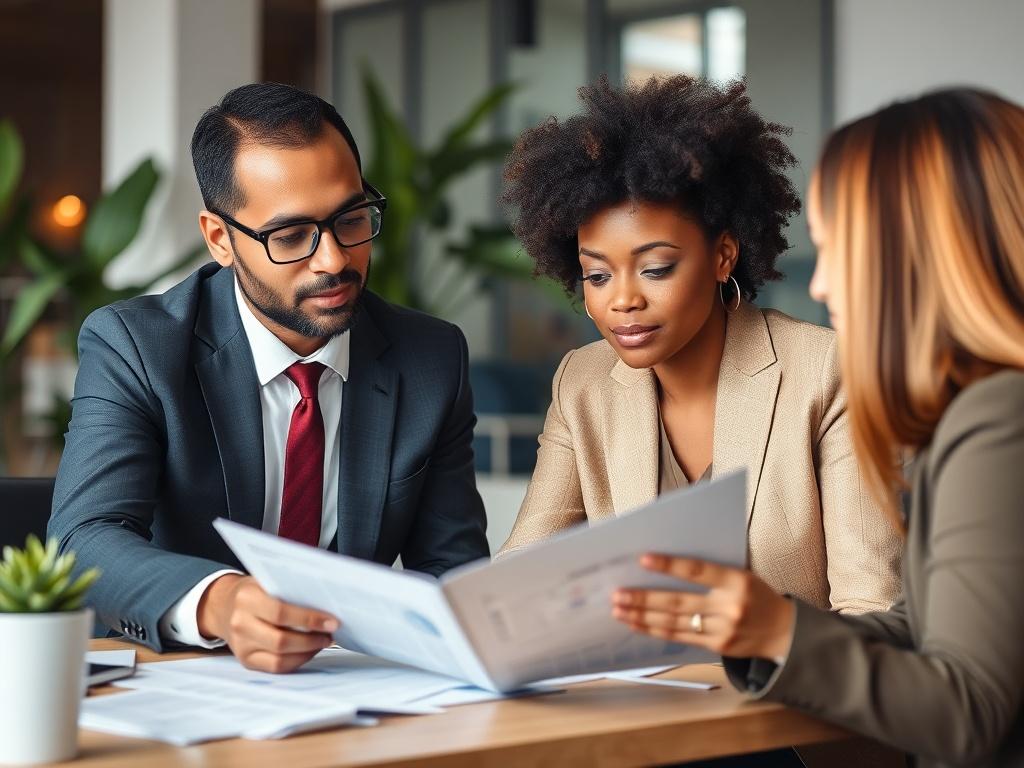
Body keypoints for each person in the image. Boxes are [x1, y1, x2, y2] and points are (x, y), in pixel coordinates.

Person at [611, 87, 1024, 767]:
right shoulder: (969, 412)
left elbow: (966, 710)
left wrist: (778, 631)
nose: (824, 284)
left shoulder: (996, 418)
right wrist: (764, 628)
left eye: (840, 251)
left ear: (922, 254)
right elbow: (928, 630)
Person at [49, 83, 489, 673]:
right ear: (220, 240)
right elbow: (85, 538)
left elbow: (453, 573)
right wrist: (223, 602)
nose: (333, 259)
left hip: (358, 688)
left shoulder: (430, 357)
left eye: (351, 219)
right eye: (289, 237)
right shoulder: (136, 346)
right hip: (181, 683)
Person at [499, 76, 901, 615]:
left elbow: (871, 612)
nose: (623, 300)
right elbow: (518, 579)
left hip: (788, 689)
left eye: (656, 268)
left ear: (723, 257)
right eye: (597, 276)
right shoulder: (582, 383)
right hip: (637, 693)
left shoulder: (826, 373)